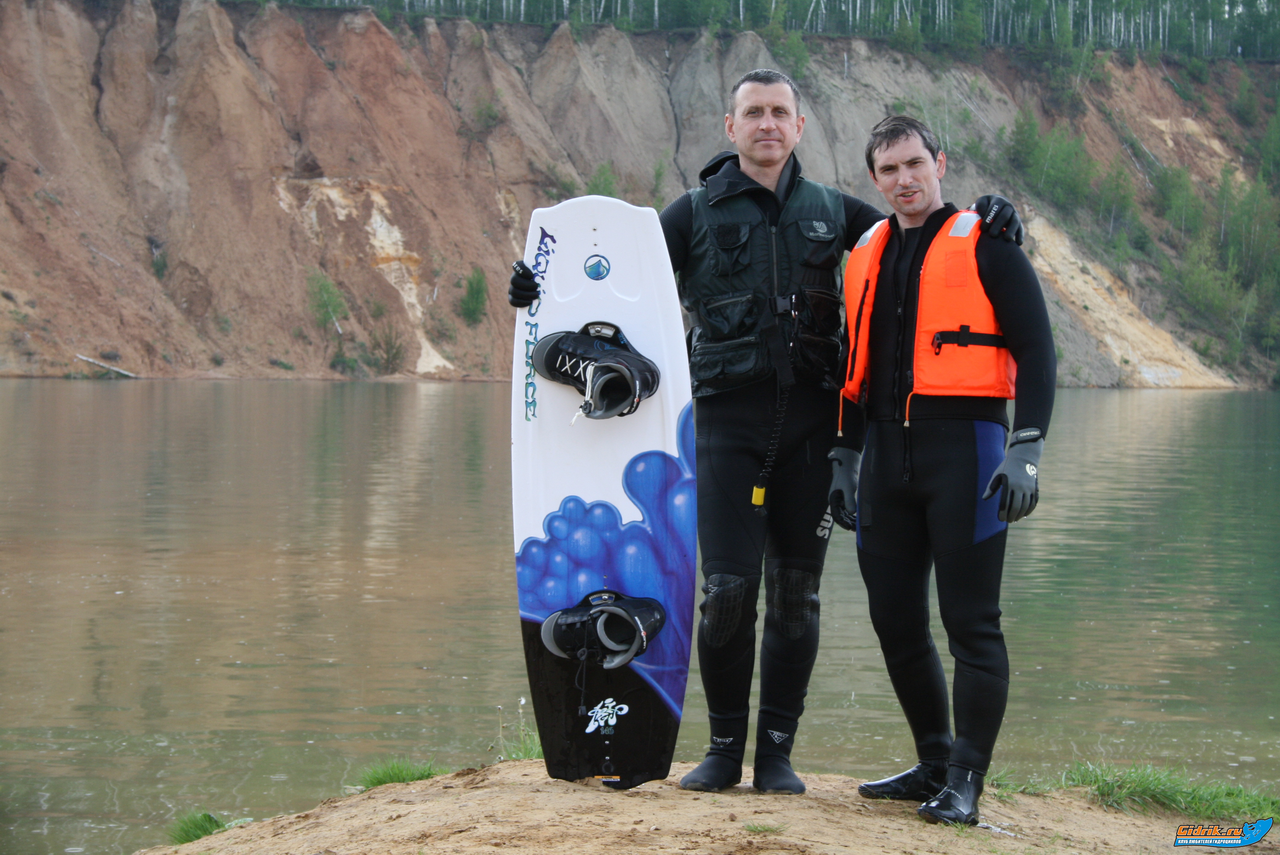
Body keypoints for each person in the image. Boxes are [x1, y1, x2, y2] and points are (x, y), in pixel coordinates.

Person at [511, 70, 1022, 796]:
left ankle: (776, 753)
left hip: (814, 433)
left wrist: (989, 214)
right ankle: (724, 750)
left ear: (799, 126)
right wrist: (536, 287)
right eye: (753, 113)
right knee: (725, 591)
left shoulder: (837, 213)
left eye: (780, 112)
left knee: (794, 595)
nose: (768, 124)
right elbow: (612, 281)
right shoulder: (690, 214)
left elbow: (921, 233)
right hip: (724, 427)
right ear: (731, 126)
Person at [828, 115, 1056, 825]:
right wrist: (843, 456)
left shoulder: (988, 241)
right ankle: (932, 760)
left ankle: (965, 781)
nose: (905, 180)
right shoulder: (865, 252)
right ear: (874, 179)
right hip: (885, 461)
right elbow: (855, 367)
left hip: (970, 457)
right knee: (894, 620)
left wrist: (1027, 448)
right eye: (890, 169)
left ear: (941, 164)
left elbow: (1038, 350)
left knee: (971, 623)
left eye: (915, 164)